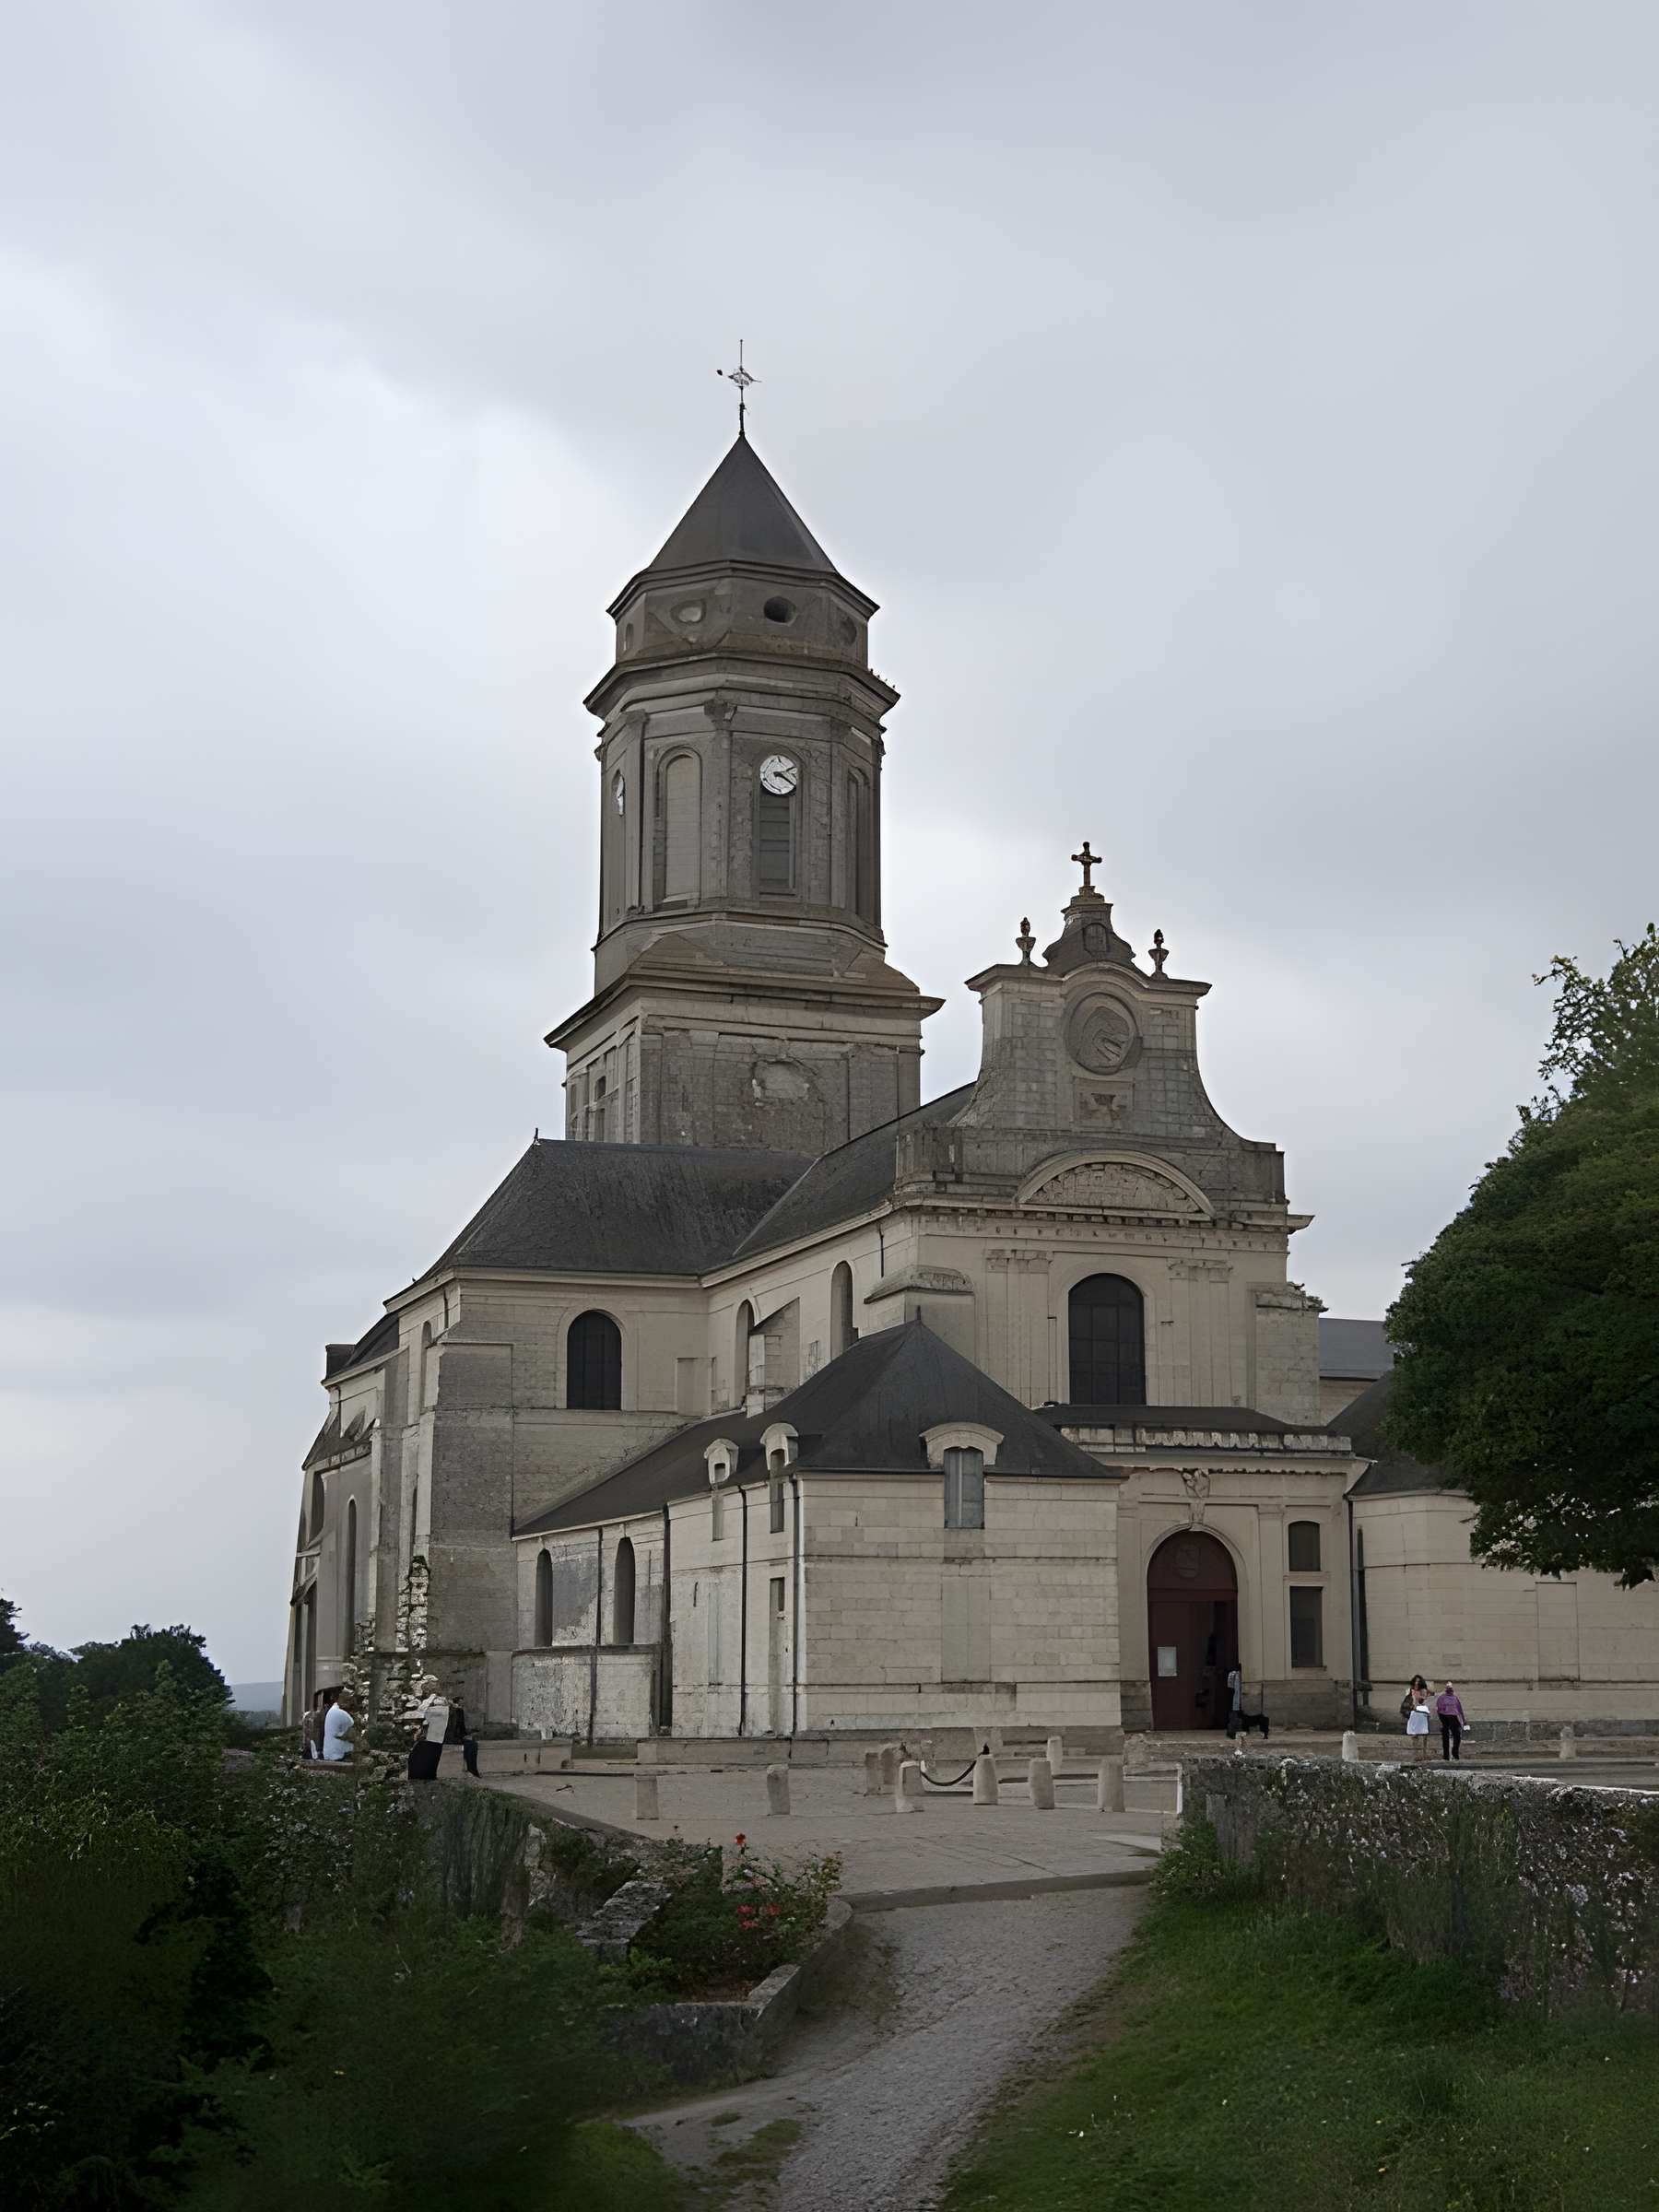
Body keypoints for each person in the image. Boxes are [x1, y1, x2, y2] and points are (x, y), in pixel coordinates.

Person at [407, 1676, 447, 1782]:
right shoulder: (421, 1700)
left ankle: (426, 1776)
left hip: (432, 1734)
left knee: (429, 1756)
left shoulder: (438, 1700)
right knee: (423, 1755)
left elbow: (424, 1710)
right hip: (428, 1736)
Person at [443, 1695, 481, 1778]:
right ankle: (472, 1769)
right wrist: (463, 1736)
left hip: (457, 1736)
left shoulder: (458, 1711)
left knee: (472, 1744)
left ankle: (471, 1769)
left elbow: (461, 1727)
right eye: (461, 1702)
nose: (463, 1703)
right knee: (472, 1745)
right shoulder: (457, 1711)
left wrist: (466, 1735)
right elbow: (455, 1727)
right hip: (453, 1737)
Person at [1435, 1681, 1467, 1761]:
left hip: (1453, 1718)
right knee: (1445, 1737)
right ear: (1446, 1690)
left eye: (1451, 1689)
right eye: (1448, 1688)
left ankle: (1454, 1753)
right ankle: (1446, 1756)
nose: (1450, 1690)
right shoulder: (1442, 1698)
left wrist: (1464, 1720)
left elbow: (1460, 1710)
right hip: (1445, 1717)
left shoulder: (1455, 1698)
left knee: (1457, 1736)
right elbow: (1439, 1709)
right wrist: (1442, 1721)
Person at [322, 1688, 356, 1763]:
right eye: (350, 1699)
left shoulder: (332, 1711)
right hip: (336, 1754)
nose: (351, 1702)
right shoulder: (341, 1714)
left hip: (328, 1753)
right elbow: (352, 1734)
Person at [1403, 1676, 1432, 1760]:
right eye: (1415, 1681)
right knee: (1414, 1734)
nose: (1417, 1683)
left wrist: (1419, 1697)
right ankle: (1416, 1754)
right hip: (1414, 1713)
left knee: (1424, 1734)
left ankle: (1424, 1754)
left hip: (1422, 1713)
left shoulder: (1424, 1691)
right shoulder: (1409, 1691)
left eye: (1418, 1682)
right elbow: (1409, 1702)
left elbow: (1426, 1700)